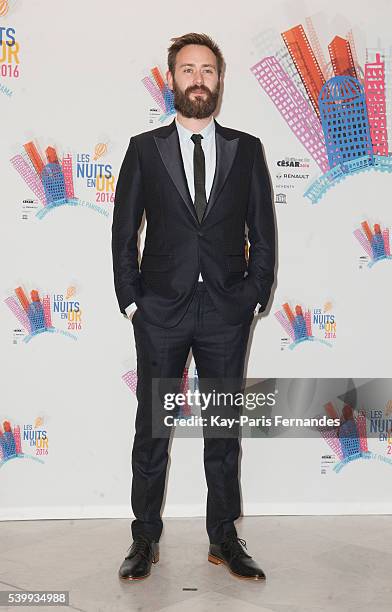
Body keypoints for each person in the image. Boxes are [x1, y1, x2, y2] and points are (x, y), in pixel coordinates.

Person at [112, 32, 275, 581]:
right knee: (153, 430)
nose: (198, 79)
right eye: (188, 70)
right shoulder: (144, 149)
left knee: (223, 433)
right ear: (172, 80)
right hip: (160, 310)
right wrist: (134, 302)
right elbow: (123, 233)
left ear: (219, 80)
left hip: (226, 312)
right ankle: (143, 539)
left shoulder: (247, 150)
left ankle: (224, 537)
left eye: (208, 70)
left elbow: (264, 233)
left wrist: (252, 298)